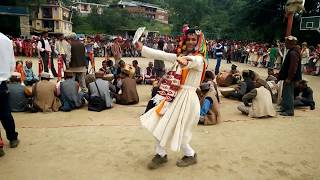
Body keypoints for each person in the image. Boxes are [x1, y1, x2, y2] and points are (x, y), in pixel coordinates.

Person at [136, 27, 207, 169]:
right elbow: (162, 54)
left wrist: (186, 60)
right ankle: (161, 154)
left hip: (187, 99)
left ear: (199, 42)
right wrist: (142, 48)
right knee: (157, 122)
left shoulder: (200, 59)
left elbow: (194, 61)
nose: (191, 42)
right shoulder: (179, 56)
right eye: (189, 39)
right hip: (173, 95)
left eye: (194, 39)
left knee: (179, 130)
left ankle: (190, 154)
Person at [0, 32, 20, 154]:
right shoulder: (5, 39)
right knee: (5, 113)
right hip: (1, 82)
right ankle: (12, 139)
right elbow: (12, 64)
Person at [278, 36, 302, 116]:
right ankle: (285, 108)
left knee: (288, 93)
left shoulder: (293, 52)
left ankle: (289, 110)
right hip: (289, 77)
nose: (285, 44)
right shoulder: (293, 51)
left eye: (286, 43)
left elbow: (293, 67)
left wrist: (289, 78)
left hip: (291, 78)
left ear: (290, 43)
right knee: (285, 92)